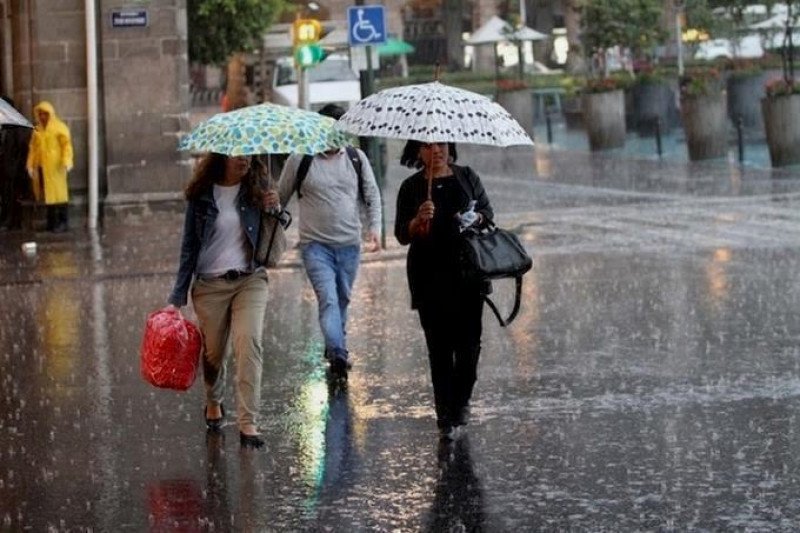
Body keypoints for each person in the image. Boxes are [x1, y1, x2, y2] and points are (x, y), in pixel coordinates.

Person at [167, 153, 279, 449]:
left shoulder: (257, 187)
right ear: (222, 157)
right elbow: (189, 247)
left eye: (249, 154)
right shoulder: (202, 194)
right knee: (214, 353)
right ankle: (213, 399)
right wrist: (176, 298)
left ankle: (248, 423)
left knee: (249, 343)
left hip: (250, 279)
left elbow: (271, 239)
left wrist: (273, 209)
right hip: (210, 285)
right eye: (237, 155)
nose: (244, 160)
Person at [263, 104, 382, 381]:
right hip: (315, 246)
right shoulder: (301, 159)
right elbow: (281, 197)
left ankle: (334, 347)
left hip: (350, 244)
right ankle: (339, 353)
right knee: (328, 300)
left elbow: (372, 195)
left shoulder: (356, 158)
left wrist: (374, 229)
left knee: (342, 299)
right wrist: (271, 203)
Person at [394, 141, 494, 442]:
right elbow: (401, 233)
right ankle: (445, 415)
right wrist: (417, 221)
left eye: (441, 144)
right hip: (429, 276)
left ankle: (461, 400)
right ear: (418, 152)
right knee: (439, 349)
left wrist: (475, 217)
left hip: (467, 273)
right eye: (427, 146)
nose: (436, 150)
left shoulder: (467, 176)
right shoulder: (411, 187)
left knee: (469, 346)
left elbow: (487, 212)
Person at [25, 101, 73, 232]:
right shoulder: (37, 130)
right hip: (43, 167)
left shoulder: (60, 128)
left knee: (60, 195)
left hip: (57, 167)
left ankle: (63, 222)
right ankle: (52, 222)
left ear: (50, 114)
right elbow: (33, 149)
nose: (42, 117)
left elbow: (66, 146)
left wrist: (66, 161)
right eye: (40, 114)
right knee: (48, 196)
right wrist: (30, 165)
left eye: (45, 114)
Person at [0, 96, 32, 230]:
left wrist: (18, 168)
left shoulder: (19, 128)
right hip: (4, 170)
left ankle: (12, 222)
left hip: (14, 171)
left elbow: (23, 149)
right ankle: (6, 219)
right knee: (5, 196)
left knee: (13, 197)